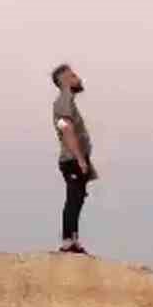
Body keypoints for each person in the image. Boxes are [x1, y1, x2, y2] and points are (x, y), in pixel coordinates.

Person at [51, 63, 99, 253]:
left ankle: (73, 240)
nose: (77, 79)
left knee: (78, 198)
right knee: (73, 198)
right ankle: (67, 242)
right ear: (63, 80)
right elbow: (66, 129)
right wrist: (80, 159)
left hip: (76, 158)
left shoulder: (68, 101)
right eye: (73, 76)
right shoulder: (63, 101)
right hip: (72, 159)